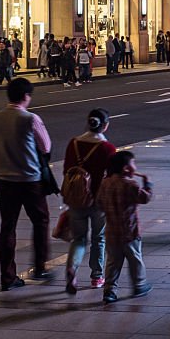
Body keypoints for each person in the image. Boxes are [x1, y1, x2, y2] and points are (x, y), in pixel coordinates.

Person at [0, 78, 53, 291]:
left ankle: (7, 277)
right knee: (40, 221)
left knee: (7, 227)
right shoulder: (30, 118)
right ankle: (40, 266)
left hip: (4, 180)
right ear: (26, 96)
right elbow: (45, 146)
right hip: (29, 179)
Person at [63, 109, 117, 294]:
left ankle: (72, 268)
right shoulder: (107, 148)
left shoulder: (74, 143)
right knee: (98, 238)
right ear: (105, 125)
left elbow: (67, 170)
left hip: (76, 199)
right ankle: (96, 276)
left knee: (78, 239)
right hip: (98, 201)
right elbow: (111, 176)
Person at [96, 151, 153, 303]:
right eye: (133, 163)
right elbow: (145, 198)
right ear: (126, 169)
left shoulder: (105, 183)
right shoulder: (130, 184)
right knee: (135, 259)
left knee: (113, 262)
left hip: (111, 231)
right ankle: (139, 285)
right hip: (129, 232)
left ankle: (109, 290)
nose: (135, 166)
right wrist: (147, 184)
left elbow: (99, 203)